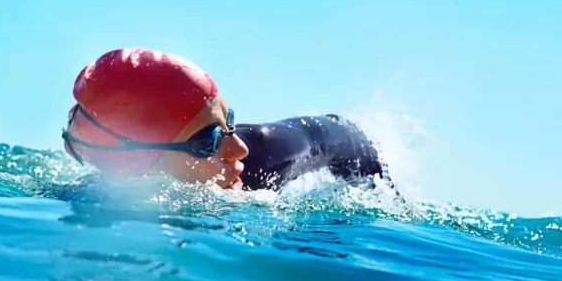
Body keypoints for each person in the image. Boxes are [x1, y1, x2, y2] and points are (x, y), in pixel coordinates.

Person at [61, 48, 386, 191]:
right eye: (208, 142)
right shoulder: (90, 197)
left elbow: (342, 135)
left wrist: (380, 190)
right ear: (140, 162)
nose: (238, 149)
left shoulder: (268, 155)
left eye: (229, 122)